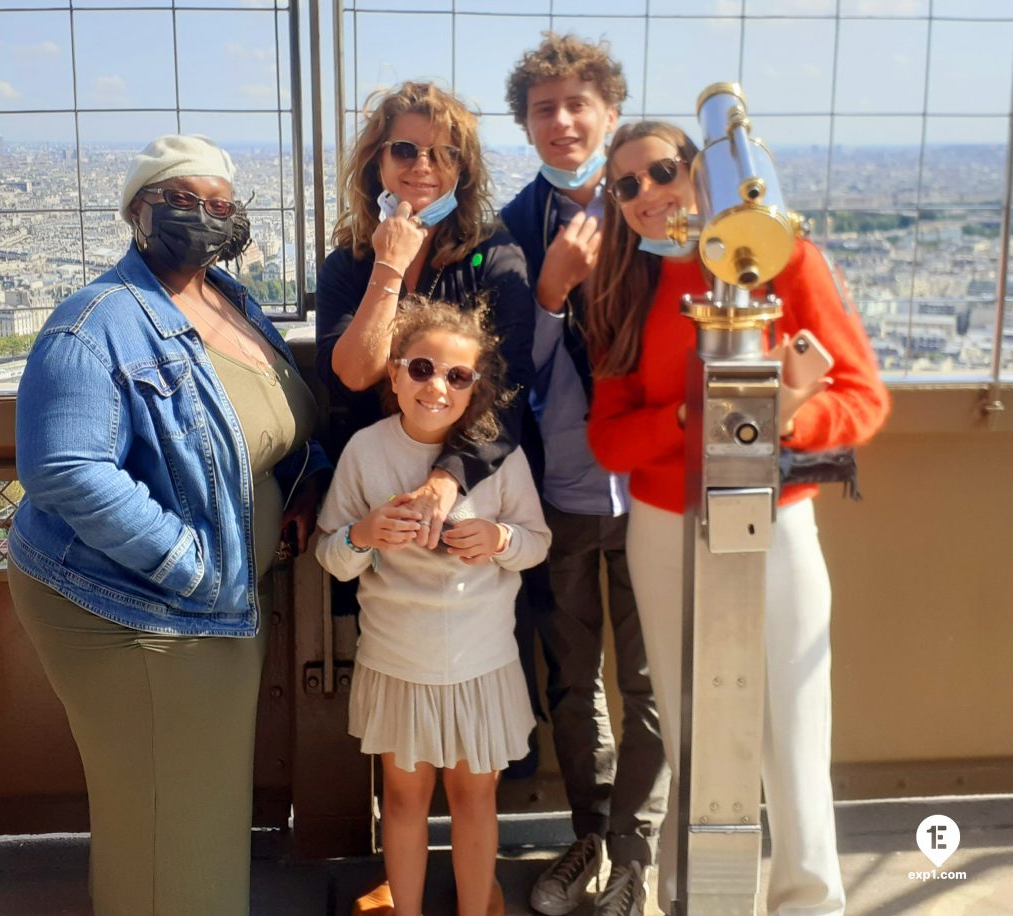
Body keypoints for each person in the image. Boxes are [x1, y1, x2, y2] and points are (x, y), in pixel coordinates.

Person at [6, 134, 330, 916]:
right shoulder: (95, 320)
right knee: (165, 814)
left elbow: (264, 426)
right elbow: (63, 468)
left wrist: (295, 498)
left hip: (216, 600)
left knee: (197, 806)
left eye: (220, 203)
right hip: (137, 607)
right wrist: (189, 562)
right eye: (182, 200)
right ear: (138, 209)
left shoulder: (231, 301)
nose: (204, 216)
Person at [585, 120, 890, 916]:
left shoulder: (789, 265)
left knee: (794, 733)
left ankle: (807, 902)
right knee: (692, 736)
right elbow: (610, 436)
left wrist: (779, 419)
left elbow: (861, 396)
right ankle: (699, 900)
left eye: (662, 171)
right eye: (627, 186)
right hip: (663, 526)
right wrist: (697, 418)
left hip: (777, 521)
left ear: (699, 173)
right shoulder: (621, 288)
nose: (650, 194)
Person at [502, 34, 669, 916]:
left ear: (610, 114)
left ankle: (636, 854)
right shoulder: (507, 229)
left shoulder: (657, 206)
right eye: (543, 108)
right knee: (574, 680)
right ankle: (592, 837)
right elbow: (503, 375)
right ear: (525, 125)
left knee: (645, 680)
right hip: (559, 487)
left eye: (578, 105)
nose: (562, 122)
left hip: (646, 489)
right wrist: (551, 294)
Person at [314, 297, 551, 916]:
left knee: (476, 801)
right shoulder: (366, 453)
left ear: (476, 388)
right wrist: (363, 535)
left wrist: (500, 541)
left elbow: (536, 543)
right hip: (400, 663)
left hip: (482, 664)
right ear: (393, 375)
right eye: (421, 369)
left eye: (457, 376)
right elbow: (330, 554)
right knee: (402, 800)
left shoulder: (502, 458)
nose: (437, 387)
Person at [316, 80, 536, 547]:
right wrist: (388, 265)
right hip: (371, 492)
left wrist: (445, 480)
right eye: (404, 150)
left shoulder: (494, 257)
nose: (423, 167)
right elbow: (352, 376)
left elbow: (508, 388)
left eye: (445, 154)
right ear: (377, 161)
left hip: (474, 488)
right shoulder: (347, 266)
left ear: (464, 169)